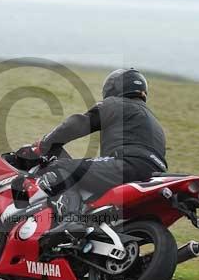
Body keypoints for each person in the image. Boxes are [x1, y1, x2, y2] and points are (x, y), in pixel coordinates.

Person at [32, 68, 167, 228]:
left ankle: (71, 222)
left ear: (114, 88)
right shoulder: (153, 120)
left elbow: (78, 124)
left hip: (125, 165)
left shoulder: (116, 104)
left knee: (60, 167)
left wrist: (47, 142)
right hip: (152, 174)